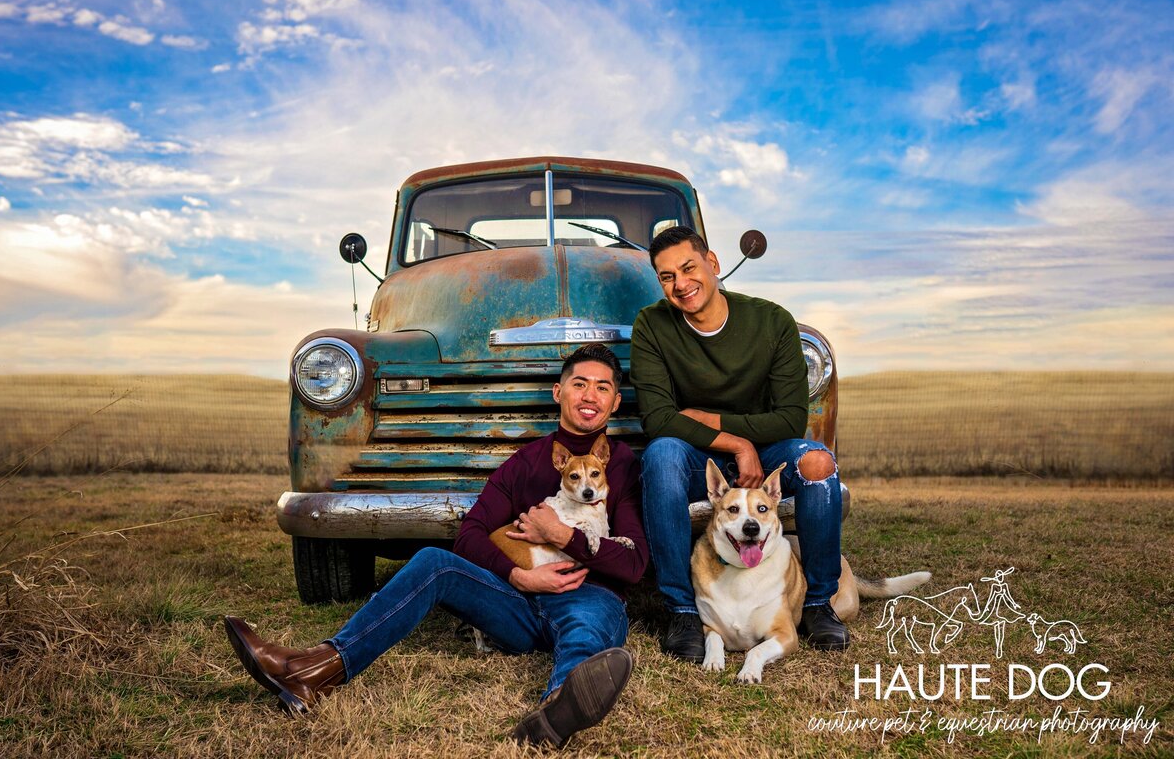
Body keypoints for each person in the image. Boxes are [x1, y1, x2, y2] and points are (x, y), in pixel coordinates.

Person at [223, 343, 648, 748]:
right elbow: (469, 535)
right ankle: (315, 669)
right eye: (579, 383)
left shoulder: (624, 465)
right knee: (434, 562)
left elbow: (632, 565)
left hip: (585, 595)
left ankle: (555, 713)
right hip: (515, 603)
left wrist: (561, 536)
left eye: (603, 387)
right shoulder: (524, 463)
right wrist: (519, 575)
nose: (590, 395)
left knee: (587, 631)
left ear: (614, 402)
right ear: (559, 392)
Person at [630, 226, 849, 662]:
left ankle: (820, 603)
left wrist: (715, 422)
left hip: (768, 450)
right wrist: (734, 444)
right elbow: (659, 420)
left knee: (818, 463)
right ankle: (682, 610)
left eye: (688, 268)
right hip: (698, 456)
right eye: (667, 276)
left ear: (712, 264)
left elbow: (790, 419)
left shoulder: (771, 321)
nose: (680, 283)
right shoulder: (652, 326)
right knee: (660, 456)